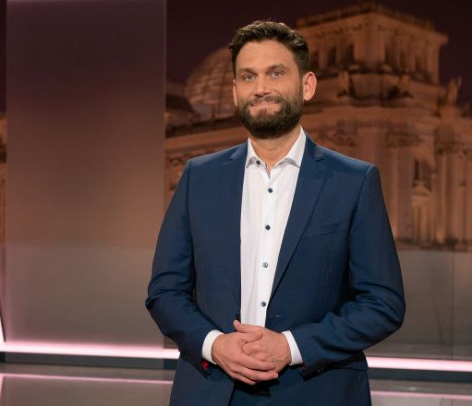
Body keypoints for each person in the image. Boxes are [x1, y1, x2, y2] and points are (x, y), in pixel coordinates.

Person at [146, 20, 405, 405]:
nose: (261, 87)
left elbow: (382, 304)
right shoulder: (198, 177)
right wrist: (214, 345)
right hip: (212, 390)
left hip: (316, 390)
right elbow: (165, 292)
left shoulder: (354, 181)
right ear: (235, 92)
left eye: (276, 73)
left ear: (307, 85)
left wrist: (291, 347)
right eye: (248, 76)